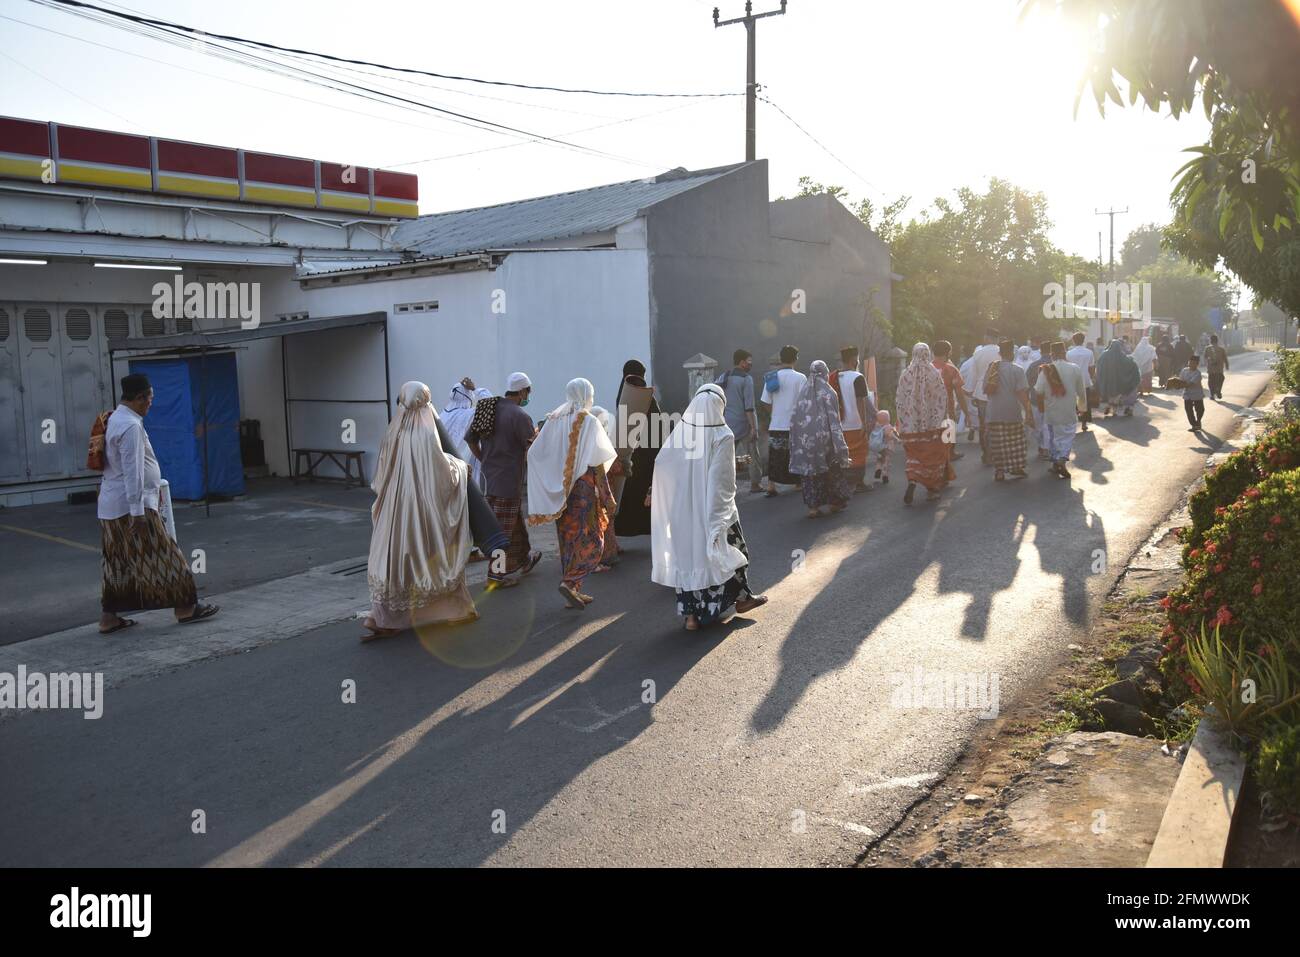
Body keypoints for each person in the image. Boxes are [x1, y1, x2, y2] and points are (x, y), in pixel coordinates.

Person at [97, 373, 217, 634]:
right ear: (140, 398)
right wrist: (138, 512)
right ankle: (185, 607)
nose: (151, 403)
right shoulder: (130, 426)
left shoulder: (115, 418)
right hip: (132, 508)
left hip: (111, 506)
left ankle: (109, 617)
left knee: (117, 563)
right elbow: (133, 471)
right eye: (150, 398)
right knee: (165, 556)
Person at [363, 382, 477, 640]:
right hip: (423, 507)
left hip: (395, 508)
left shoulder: (395, 432)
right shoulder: (426, 433)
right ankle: (452, 609)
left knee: (397, 560)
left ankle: (386, 618)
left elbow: (380, 477)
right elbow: (442, 475)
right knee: (431, 556)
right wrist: (459, 466)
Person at [651, 384, 768, 631]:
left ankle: (691, 617)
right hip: (710, 508)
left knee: (689, 558)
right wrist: (719, 517)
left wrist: (662, 494)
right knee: (731, 550)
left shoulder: (682, 432)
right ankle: (742, 599)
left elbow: (665, 463)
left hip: (682, 510)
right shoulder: (722, 435)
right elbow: (720, 482)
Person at [527, 378, 618, 609]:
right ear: (587, 394)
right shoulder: (588, 420)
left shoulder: (554, 419)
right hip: (583, 490)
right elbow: (597, 463)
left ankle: (574, 589)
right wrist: (607, 496)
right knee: (593, 541)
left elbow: (534, 453)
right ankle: (571, 582)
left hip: (561, 494)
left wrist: (549, 481)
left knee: (568, 539)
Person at [466, 372, 542, 589]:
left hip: (490, 479)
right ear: (522, 391)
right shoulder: (519, 416)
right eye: (528, 391)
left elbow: (470, 440)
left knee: (513, 524)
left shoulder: (487, 408)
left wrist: (484, 459)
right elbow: (531, 449)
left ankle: (524, 559)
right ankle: (495, 576)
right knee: (502, 531)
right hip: (509, 481)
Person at [789, 360, 854, 517]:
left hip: (805, 440)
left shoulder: (803, 392)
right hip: (825, 439)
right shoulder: (829, 392)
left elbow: (795, 418)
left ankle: (813, 508)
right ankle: (834, 503)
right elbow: (833, 419)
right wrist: (840, 445)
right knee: (832, 471)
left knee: (811, 474)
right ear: (825, 372)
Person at [896, 343, 951, 505]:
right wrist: (944, 418)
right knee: (932, 455)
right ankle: (932, 490)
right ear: (927, 354)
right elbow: (942, 398)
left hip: (911, 426)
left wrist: (903, 420)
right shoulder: (933, 372)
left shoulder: (906, 374)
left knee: (914, 454)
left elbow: (899, 398)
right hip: (932, 426)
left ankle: (913, 479)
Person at [613, 359, 661, 538]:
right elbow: (657, 424)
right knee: (645, 489)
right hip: (647, 452)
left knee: (630, 489)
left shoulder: (623, 394)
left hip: (630, 451)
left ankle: (626, 527)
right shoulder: (645, 396)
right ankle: (646, 526)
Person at [1032, 341, 1088, 479]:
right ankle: (1062, 460)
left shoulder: (1046, 370)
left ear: (1052, 355)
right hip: (1068, 411)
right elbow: (1081, 391)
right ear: (1064, 353)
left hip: (1051, 412)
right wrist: (1082, 408)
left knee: (1052, 438)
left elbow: (1038, 391)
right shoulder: (1074, 368)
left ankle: (1055, 463)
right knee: (1067, 436)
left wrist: (1041, 409)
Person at [759, 344, 808, 497]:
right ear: (795, 359)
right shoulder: (800, 378)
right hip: (795, 424)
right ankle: (798, 482)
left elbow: (765, 401)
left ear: (781, 359)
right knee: (795, 454)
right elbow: (803, 402)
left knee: (776, 455)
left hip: (776, 423)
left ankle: (771, 486)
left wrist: (774, 412)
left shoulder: (772, 377)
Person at [982, 339, 1033, 481]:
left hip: (994, 412)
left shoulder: (991, 368)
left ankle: (999, 471)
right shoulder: (1017, 370)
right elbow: (1022, 394)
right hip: (1012, 412)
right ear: (1013, 353)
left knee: (998, 443)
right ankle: (1016, 467)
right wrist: (1028, 411)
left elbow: (985, 389)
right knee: (1015, 442)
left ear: (999, 353)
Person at [715, 349, 763, 493]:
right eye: (749, 361)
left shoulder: (724, 377)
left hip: (727, 425)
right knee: (753, 455)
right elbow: (749, 407)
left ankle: (724, 486)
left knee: (726, 458)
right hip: (744, 425)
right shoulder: (746, 379)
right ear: (742, 363)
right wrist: (754, 427)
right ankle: (755, 484)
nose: (751, 364)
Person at [829, 345, 876, 490]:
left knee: (844, 454)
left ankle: (845, 482)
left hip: (839, 425)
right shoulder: (858, 377)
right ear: (854, 360)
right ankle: (859, 483)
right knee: (859, 454)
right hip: (855, 424)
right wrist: (864, 422)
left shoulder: (832, 377)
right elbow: (860, 401)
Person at [590, 405, 622, 570]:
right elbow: (615, 468)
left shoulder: (584, 440)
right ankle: (606, 554)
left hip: (590, 490)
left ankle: (608, 550)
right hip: (604, 489)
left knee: (596, 522)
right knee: (606, 521)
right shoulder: (604, 442)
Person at [932, 340, 970, 462]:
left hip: (930, 409)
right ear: (948, 352)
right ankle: (950, 453)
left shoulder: (927, 368)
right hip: (947, 408)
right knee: (948, 430)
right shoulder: (951, 369)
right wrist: (967, 413)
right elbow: (959, 394)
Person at [967, 329, 1002, 462]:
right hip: (999, 391)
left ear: (986, 338)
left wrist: (970, 391)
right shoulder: (1002, 351)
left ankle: (986, 452)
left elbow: (974, 375)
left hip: (982, 392)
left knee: (984, 424)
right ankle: (996, 451)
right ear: (996, 339)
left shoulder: (978, 353)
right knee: (998, 423)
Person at [1096, 338, 1141, 417]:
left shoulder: (1104, 354)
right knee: (1117, 395)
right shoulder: (1122, 355)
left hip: (1108, 380)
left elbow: (1099, 365)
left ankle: (1110, 407)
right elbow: (1131, 364)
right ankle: (1114, 411)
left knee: (1110, 394)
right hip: (1119, 381)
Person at [1066, 332, 1097, 432]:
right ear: (1083, 340)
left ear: (1074, 341)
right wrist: (1091, 378)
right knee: (1084, 401)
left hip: (1072, 381)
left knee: (1072, 402)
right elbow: (1092, 367)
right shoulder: (1089, 352)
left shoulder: (1069, 353)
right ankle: (1084, 423)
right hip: (1085, 380)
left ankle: (1073, 424)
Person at [1179, 354, 1207, 432]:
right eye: (1190, 362)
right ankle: (1194, 424)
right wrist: (1175, 383)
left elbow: (1190, 384)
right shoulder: (1184, 370)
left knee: (1200, 410)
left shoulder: (1198, 373)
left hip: (1197, 394)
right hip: (1187, 394)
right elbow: (1180, 380)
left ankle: (1198, 421)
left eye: (1194, 363)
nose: (1191, 364)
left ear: (1197, 364)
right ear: (1188, 362)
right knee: (1188, 410)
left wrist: (1180, 384)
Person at [870, 410, 897, 484]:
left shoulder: (877, 426)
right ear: (888, 419)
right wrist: (897, 439)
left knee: (879, 459)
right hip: (887, 447)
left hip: (879, 447)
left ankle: (878, 469)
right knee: (886, 461)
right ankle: (885, 475)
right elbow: (891, 435)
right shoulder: (888, 427)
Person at [1204, 334, 1230, 400]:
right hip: (1219, 369)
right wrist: (1227, 365)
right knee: (1221, 378)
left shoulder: (1207, 348)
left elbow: (1205, 357)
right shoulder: (1221, 349)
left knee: (1210, 381)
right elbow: (1225, 358)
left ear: (1210, 341)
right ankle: (1218, 391)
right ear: (1217, 341)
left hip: (1211, 369)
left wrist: (1208, 363)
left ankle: (1212, 394)